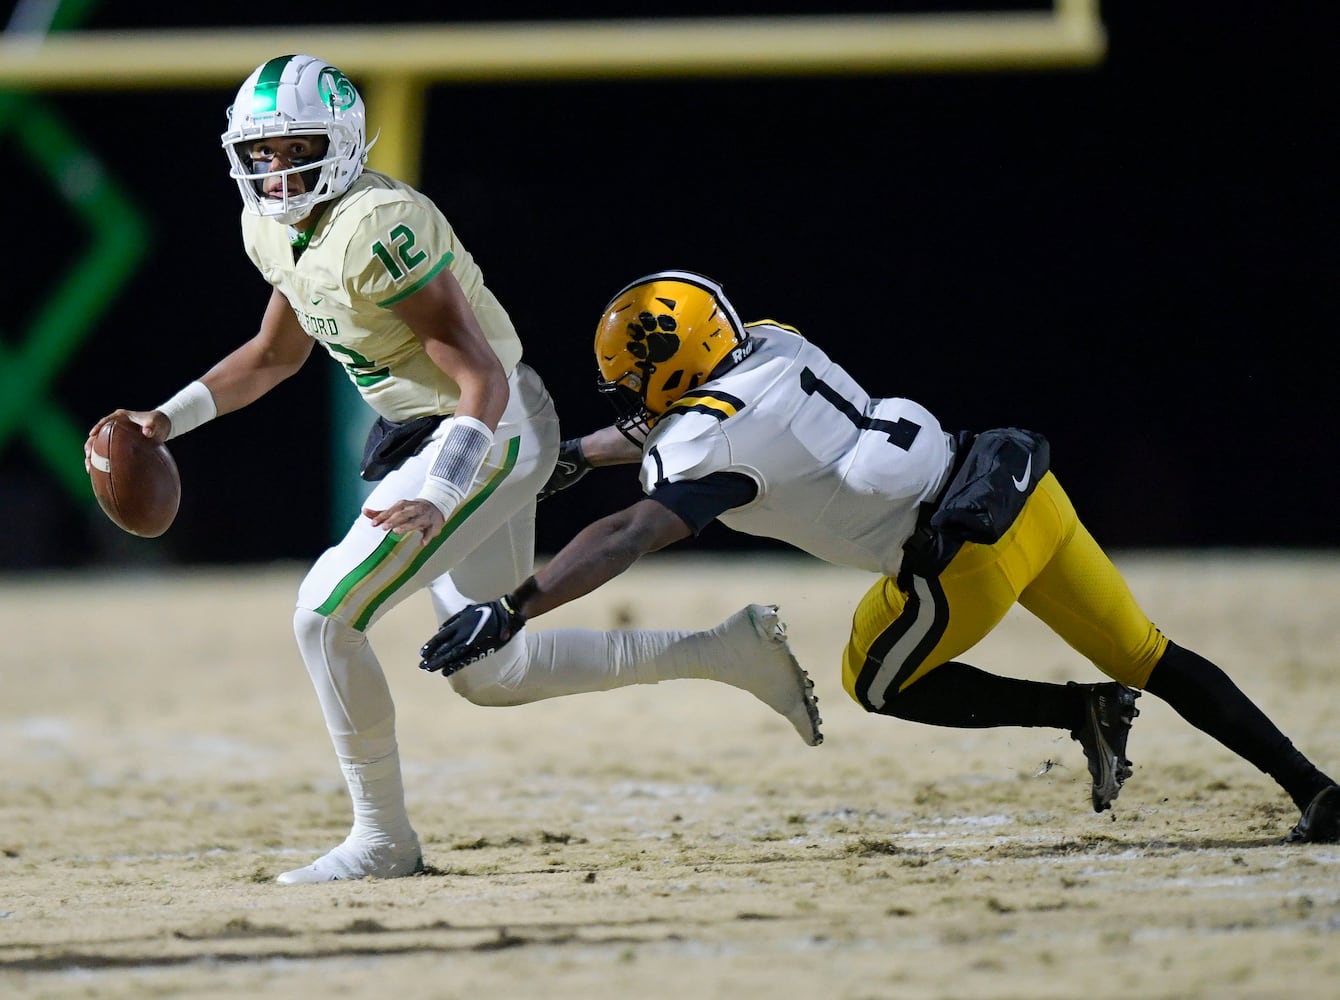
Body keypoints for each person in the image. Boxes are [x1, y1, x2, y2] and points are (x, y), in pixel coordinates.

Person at [84, 60, 820, 884]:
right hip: (449, 430)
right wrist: (168, 418)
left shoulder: (377, 226)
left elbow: (481, 378)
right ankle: (728, 652)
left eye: (294, 148)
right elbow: (272, 355)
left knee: (324, 614)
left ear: (342, 145)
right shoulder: (273, 226)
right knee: (491, 670)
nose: (274, 169)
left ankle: (382, 840)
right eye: (259, 153)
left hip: (485, 429)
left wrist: (440, 491)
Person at [421, 269, 1340, 844]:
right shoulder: (768, 341)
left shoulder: (709, 440)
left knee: (876, 679)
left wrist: (515, 606)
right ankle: (1316, 789)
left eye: (632, 377)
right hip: (1015, 488)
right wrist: (583, 454)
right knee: (1153, 652)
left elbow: (630, 531)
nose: (627, 396)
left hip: (958, 559)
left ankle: (1084, 712)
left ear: (675, 365)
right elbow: (693, 415)